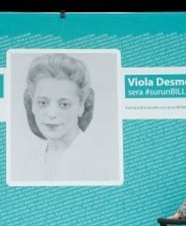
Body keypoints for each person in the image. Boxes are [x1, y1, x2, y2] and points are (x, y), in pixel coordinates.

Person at [15, 53, 117, 182]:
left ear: (81, 106)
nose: (52, 114)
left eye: (64, 104)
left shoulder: (97, 161)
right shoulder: (29, 160)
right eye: (43, 103)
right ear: (33, 105)